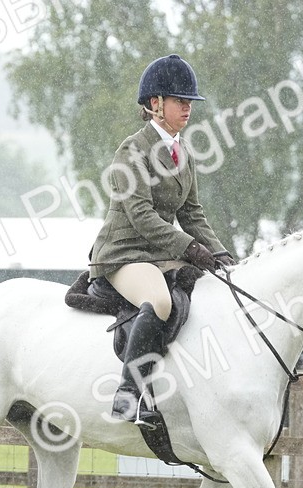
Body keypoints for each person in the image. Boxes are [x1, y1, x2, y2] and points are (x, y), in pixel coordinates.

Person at [88, 54, 234, 431]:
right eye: (179, 100)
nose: (187, 107)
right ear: (155, 105)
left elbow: (192, 213)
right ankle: (127, 396)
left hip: (157, 254)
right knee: (161, 301)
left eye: (190, 102)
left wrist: (219, 254)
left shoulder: (183, 152)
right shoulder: (132, 150)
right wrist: (188, 248)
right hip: (123, 253)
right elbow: (142, 216)